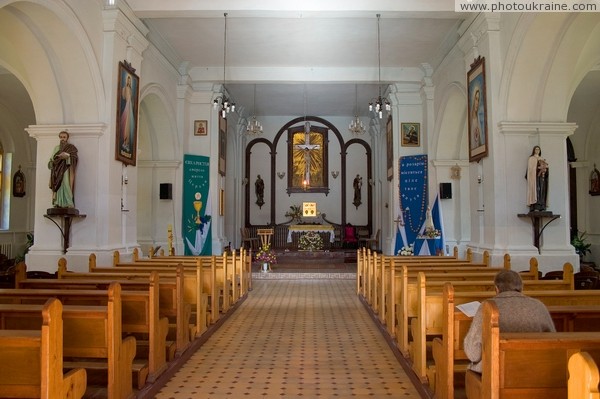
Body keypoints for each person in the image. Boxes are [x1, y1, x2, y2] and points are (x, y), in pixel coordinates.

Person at [463, 270, 555, 373]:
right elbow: (552, 341)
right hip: (534, 369)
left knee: (472, 371)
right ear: (521, 288)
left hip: (497, 370)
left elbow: (473, 353)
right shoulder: (539, 306)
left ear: (496, 289)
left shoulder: (488, 307)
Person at [48, 130, 78, 208]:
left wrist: (67, 157)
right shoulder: (56, 148)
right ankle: (58, 201)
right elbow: (52, 158)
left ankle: (69, 202)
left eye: (64, 137)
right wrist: (52, 162)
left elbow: (74, 157)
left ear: (67, 138)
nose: (62, 139)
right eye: (61, 137)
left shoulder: (70, 147)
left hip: (66, 168)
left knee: (66, 183)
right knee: (58, 184)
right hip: (57, 169)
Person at [526, 145, 549, 211]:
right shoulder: (531, 158)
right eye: (536, 149)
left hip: (542, 177)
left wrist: (545, 168)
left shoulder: (541, 158)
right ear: (534, 150)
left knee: (542, 190)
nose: (537, 150)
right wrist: (537, 168)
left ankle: (542, 205)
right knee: (536, 190)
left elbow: (546, 167)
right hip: (534, 178)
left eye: (538, 149)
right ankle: (535, 205)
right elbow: (530, 169)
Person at [120, 74, 135, 153]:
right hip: (127, 106)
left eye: (130, 80)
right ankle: (125, 142)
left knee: (129, 125)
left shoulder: (130, 89)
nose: (129, 81)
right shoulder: (125, 88)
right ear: (127, 80)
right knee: (126, 123)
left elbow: (131, 99)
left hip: (130, 107)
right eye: (128, 80)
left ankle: (127, 142)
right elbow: (124, 97)